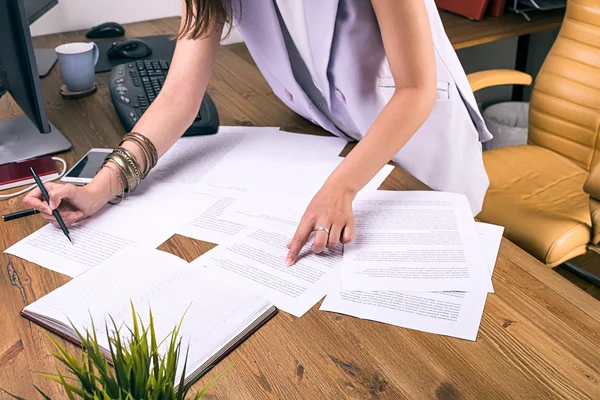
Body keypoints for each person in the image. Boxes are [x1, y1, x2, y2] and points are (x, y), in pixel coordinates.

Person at [24, 0, 491, 266]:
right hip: (339, 136)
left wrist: (341, 186)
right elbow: (178, 99)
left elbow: (415, 89)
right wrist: (102, 185)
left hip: (419, 150)